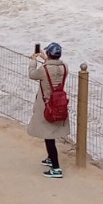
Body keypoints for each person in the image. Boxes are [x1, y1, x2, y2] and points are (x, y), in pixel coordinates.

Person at [28, 43, 72, 178]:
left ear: (49, 54)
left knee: (49, 137)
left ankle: (56, 168)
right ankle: (49, 158)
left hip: (46, 105)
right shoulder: (64, 67)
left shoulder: (43, 69)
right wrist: (45, 58)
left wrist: (33, 60)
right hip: (59, 102)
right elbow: (53, 69)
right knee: (51, 131)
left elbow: (32, 75)